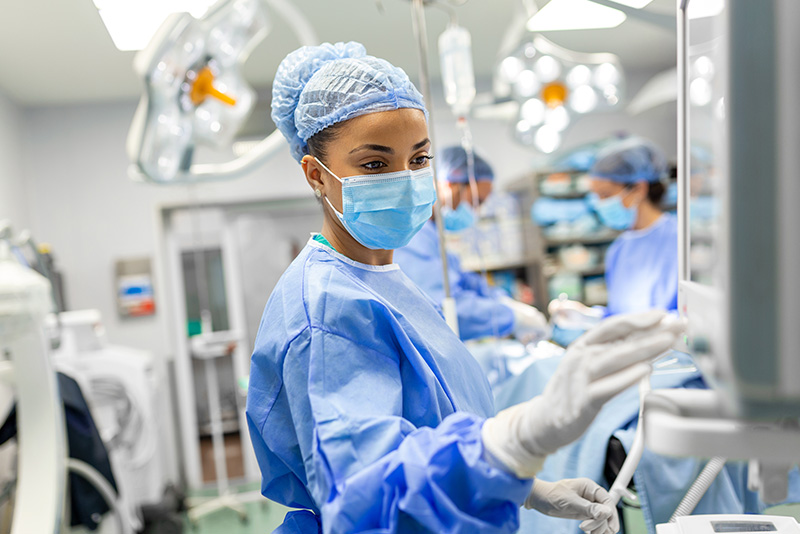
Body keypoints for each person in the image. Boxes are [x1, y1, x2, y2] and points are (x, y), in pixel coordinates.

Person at [245, 42, 683, 534]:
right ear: (315, 175)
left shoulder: (383, 279)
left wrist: (527, 489)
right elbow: (366, 495)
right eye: (374, 164)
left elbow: (429, 431)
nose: (406, 180)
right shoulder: (326, 310)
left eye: (419, 158)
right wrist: (513, 444)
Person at [393, 145, 547, 342]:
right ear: (449, 185)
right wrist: (511, 317)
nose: (477, 211)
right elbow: (448, 309)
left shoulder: (433, 236)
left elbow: (464, 281)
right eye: (476, 201)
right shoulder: (412, 239)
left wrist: (502, 300)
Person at [586, 137, 678, 316]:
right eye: (596, 196)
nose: (599, 204)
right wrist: (589, 317)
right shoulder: (619, 249)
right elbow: (620, 316)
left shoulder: (679, 240)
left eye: (605, 195)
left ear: (639, 188)